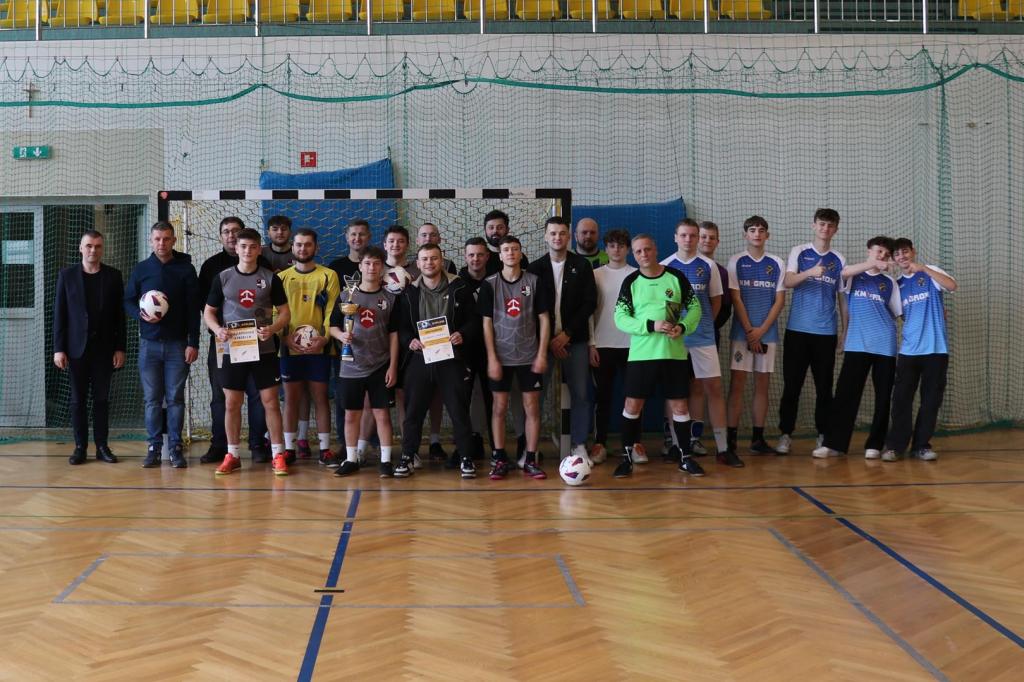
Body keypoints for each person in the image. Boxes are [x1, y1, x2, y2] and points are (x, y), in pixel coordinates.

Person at [612, 234, 703, 479]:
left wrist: (682, 327)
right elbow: (620, 318)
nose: (643, 254)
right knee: (632, 406)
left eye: (647, 249)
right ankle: (626, 458)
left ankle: (685, 458)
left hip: (674, 355)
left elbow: (695, 308)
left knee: (680, 406)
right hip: (641, 356)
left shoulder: (676, 277)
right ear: (634, 254)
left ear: (656, 250)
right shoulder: (631, 282)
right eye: (638, 251)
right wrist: (650, 325)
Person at [204, 228, 292, 476]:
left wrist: (272, 328)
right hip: (233, 349)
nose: (247, 251)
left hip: (264, 349)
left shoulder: (271, 278)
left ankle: (278, 454)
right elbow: (209, 312)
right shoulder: (223, 277)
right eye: (243, 246)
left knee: (270, 402)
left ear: (258, 249)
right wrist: (218, 329)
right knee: (232, 403)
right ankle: (232, 455)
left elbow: (285, 313)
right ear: (237, 248)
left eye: (253, 247)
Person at [395, 243, 481, 479]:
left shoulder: (459, 287)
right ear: (418, 263)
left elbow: (474, 320)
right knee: (413, 412)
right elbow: (401, 327)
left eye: (434, 258)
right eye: (424, 259)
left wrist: (463, 334)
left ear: (441, 260)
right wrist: (410, 341)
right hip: (420, 357)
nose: (429, 263)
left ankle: (466, 458)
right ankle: (408, 456)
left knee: (458, 410)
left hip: (452, 358)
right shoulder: (409, 291)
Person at [660, 219, 740, 467]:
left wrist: (702, 325)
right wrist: (676, 328)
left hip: (704, 338)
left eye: (693, 235)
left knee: (713, 388)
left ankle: (723, 448)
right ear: (675, 237)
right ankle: (676, 446)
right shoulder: (666, 266)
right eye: (683, 235)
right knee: (675, 391)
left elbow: (715, 301)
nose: (688, 239)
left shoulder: (708, 266)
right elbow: (667, 304)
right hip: (675, 340)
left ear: (697, 238)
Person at [813, 237, 901, 460]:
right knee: (845, 395)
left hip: (884, 345)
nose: (882, 256)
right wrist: (873, 263)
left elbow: (898, 313)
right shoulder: (854, 275)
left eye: (886, 254)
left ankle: (875, 444)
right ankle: (834, 444)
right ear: (869, 250)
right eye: (878, 251)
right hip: (857, 345)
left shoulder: (890, 283)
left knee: (883, 397)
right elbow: (843, 273)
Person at [123, 221, 200, 468]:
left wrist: (193, 342)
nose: (162, 243)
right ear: (151, 240)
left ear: (174, 241)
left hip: (178, 345)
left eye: (166, 239)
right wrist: (140, 314)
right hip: (149, 345)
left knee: (175, 398)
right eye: (157, 239)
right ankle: (154, 447)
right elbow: (128, 301)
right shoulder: (142, 269)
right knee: (152, 400)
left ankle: (175, 447)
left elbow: (193, 309)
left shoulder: (186, 269)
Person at [198, 217, 270, 464]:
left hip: (258, 343)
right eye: (226, 231)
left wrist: (267, 329)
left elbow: (271, 304)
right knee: (222, 396)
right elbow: (205, 306)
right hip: (224, 343)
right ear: (221, 236)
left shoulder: (263, 265)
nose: (231, 235)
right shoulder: (211, 266)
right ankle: (221, 446)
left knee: (258, 395)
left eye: (235, 231)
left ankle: (258, 444)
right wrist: (219, 329)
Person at [479, 235, 550, 480]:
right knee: (499, 408)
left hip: (529, 356)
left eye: (515, 249)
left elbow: (544, 319)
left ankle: (530, 459)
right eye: (506, 249)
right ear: (499, 255)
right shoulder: (490, 284)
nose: (510, 253)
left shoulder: (534, 282)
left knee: (532, 408)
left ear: (521, 253)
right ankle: (499, 458)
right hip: (501, 356)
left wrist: (542, 354)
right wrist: (492, 358)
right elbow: (486, 324)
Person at [776, 208, 846, 454]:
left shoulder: (839, 259)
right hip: (797, 331)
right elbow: (788, 281)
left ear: (835, 229)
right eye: (822, 224)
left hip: (826, 333)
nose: (825, 229)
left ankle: (823, 435)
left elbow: (843, 300)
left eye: (830, 225)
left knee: (824, 388)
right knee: (792, 386)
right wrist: (809, 272)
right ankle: (785, 434)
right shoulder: (800, 251)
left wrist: (845, 332)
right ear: (814, 225)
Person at [880, 238, 957, 462]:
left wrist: (923, 268)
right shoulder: (896, 285)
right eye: (897, 254)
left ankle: (921, 446)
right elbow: (902, 315)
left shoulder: (930, 271)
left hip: (936, 350)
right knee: (901, 400)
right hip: (909, 352)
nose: (902, 257)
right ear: (894, 259)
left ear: (913, 252)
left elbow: (952, 286)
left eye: (905, 252)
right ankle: (895, 447)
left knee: (931, 400)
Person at [53, 230, 126, 465]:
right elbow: (60, 314)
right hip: (76, 350)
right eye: (89, 246)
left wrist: (120, 348)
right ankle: (80, 447)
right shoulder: (67, 276)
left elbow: (120, 317)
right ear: (80, 248)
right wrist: (58, 349)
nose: (93, 250)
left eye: (97, 246)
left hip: (104, 351)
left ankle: (102, 446)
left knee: (102, 400)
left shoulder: (114, 276)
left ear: (102, 249)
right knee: (77, 400)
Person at [528, 216, 596, 464]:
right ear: (546, 236)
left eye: (562, 233)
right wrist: (548, 341)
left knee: (581, 394)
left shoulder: (582, 265)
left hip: (574, 341)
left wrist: (567, 334)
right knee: (535, 396)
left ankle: (579, 445)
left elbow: (589, 303)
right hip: (542, 344)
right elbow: (530, 309)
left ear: (569, 236)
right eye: (553, 233)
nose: (557, 237)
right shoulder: (534, 268)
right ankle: (531, 449)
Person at [329, 246, 400, 478]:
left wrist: (392, 366)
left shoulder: (389, 298)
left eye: (376, 263)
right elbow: (332, 326)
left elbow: (394, 334)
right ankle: (351, 459)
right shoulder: (346, 296)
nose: (372, 267)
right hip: (351, 366)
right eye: (367, 263)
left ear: (382, 268)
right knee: (351, 414)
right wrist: (342, 336)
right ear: (360, 266)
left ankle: (386, 461)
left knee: (382, 414)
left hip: (380, 365)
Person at [725, 217, 787, 461]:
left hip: (767, 334)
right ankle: (730, 439)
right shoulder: (736, 261)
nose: (757, 234)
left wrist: (761, 331)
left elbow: (779, 301)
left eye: (761, 230)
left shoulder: (777, 262)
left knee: (763, 385)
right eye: (752, 230)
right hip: (742, 334)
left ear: (767, 235)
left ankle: (757, 439)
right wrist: (750, 331)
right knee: (737, 385)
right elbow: (736, 298)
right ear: (745, 235)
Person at [278, 228, 341, 467]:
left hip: (320, 348)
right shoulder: (282, 277)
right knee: (291, 399)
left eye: (307, 244)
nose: (303, 249)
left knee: (321, 397)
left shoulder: (328, 276)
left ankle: (324, 449)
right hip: (289, 348)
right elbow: (275, 311)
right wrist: (284, 337)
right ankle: (289, 449)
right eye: (299, 244)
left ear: (316, 247)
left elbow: (332, 310)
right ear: (292, 247)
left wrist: (324, 338)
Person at [588, 229, 635, 465]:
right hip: (602, 345)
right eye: (612, 245)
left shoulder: (637, 275)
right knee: (602, 397)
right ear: (605, 249)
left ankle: (633, 443)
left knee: (633, 397)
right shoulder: (595, 275)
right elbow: (589, 313)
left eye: (621, 245)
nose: (616, 250)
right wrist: (591, 344)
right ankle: (600, 443)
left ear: (628, 249)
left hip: (633, 346)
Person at [458, 237, 494, 461]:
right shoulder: (457, 283)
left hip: (493, 350)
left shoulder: (497, 280)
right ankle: (464, 449)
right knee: (462, 400)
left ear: (487, 256)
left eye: (480, 254)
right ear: (465, 257)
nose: (475, 259)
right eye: (471, 255)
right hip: (464, 350)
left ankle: (497, 451)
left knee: (494, 400)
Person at [483, 210, 529, 276]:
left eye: (500, 227)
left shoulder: (517, 256)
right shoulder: (481, 257)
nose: (495, 231)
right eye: (491, 228)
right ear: (485, 230)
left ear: (507, 230)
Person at [328, 218, 372, 287]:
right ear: (347, 237)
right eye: (353, 234)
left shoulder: (375, 266)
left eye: (362, 234)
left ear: (369, 237)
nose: (357, 238)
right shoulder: (335, 267)